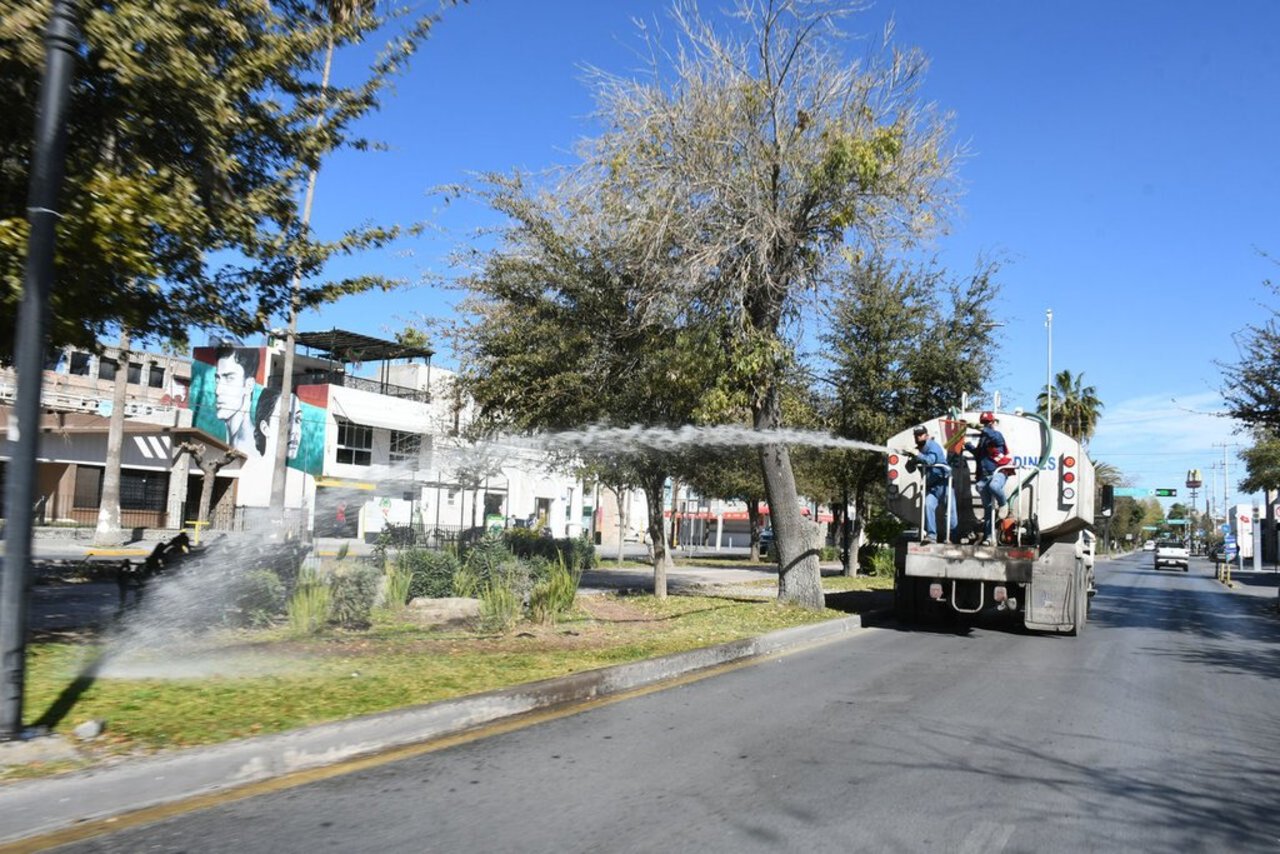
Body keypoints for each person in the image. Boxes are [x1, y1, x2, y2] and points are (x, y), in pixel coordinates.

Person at [965, 411, 1010, 544]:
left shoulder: (996, 435)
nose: (985, 425)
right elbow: (979, 455)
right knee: (988, 509)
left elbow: (996, 439)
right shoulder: (983, 439)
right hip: (984, 477)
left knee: (994, 486)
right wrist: (969, 447)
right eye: (983, 423)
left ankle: (1003, 504)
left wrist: (981, 428)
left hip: (999, 473)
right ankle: (989, 537)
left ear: (992, 423)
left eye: (987, 423)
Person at [909, 424, 957, 544]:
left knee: (950, 514)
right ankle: (931, 536)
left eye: (920, 435)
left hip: (944, 483)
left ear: (927, 435)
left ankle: (951, 536)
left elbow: (931, 460)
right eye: (916, 435)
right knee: (927, 505)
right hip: (931, 487)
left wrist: (917, 455)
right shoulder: (917, 450)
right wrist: (909, 456)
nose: (918, 438)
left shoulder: (933, 446)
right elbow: (909, 469)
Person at [214, 346, 259, 456]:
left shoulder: (249, 445)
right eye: (217, 379)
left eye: (229, 378)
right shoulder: (231, 441)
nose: (217, 390)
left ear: (249, 385)